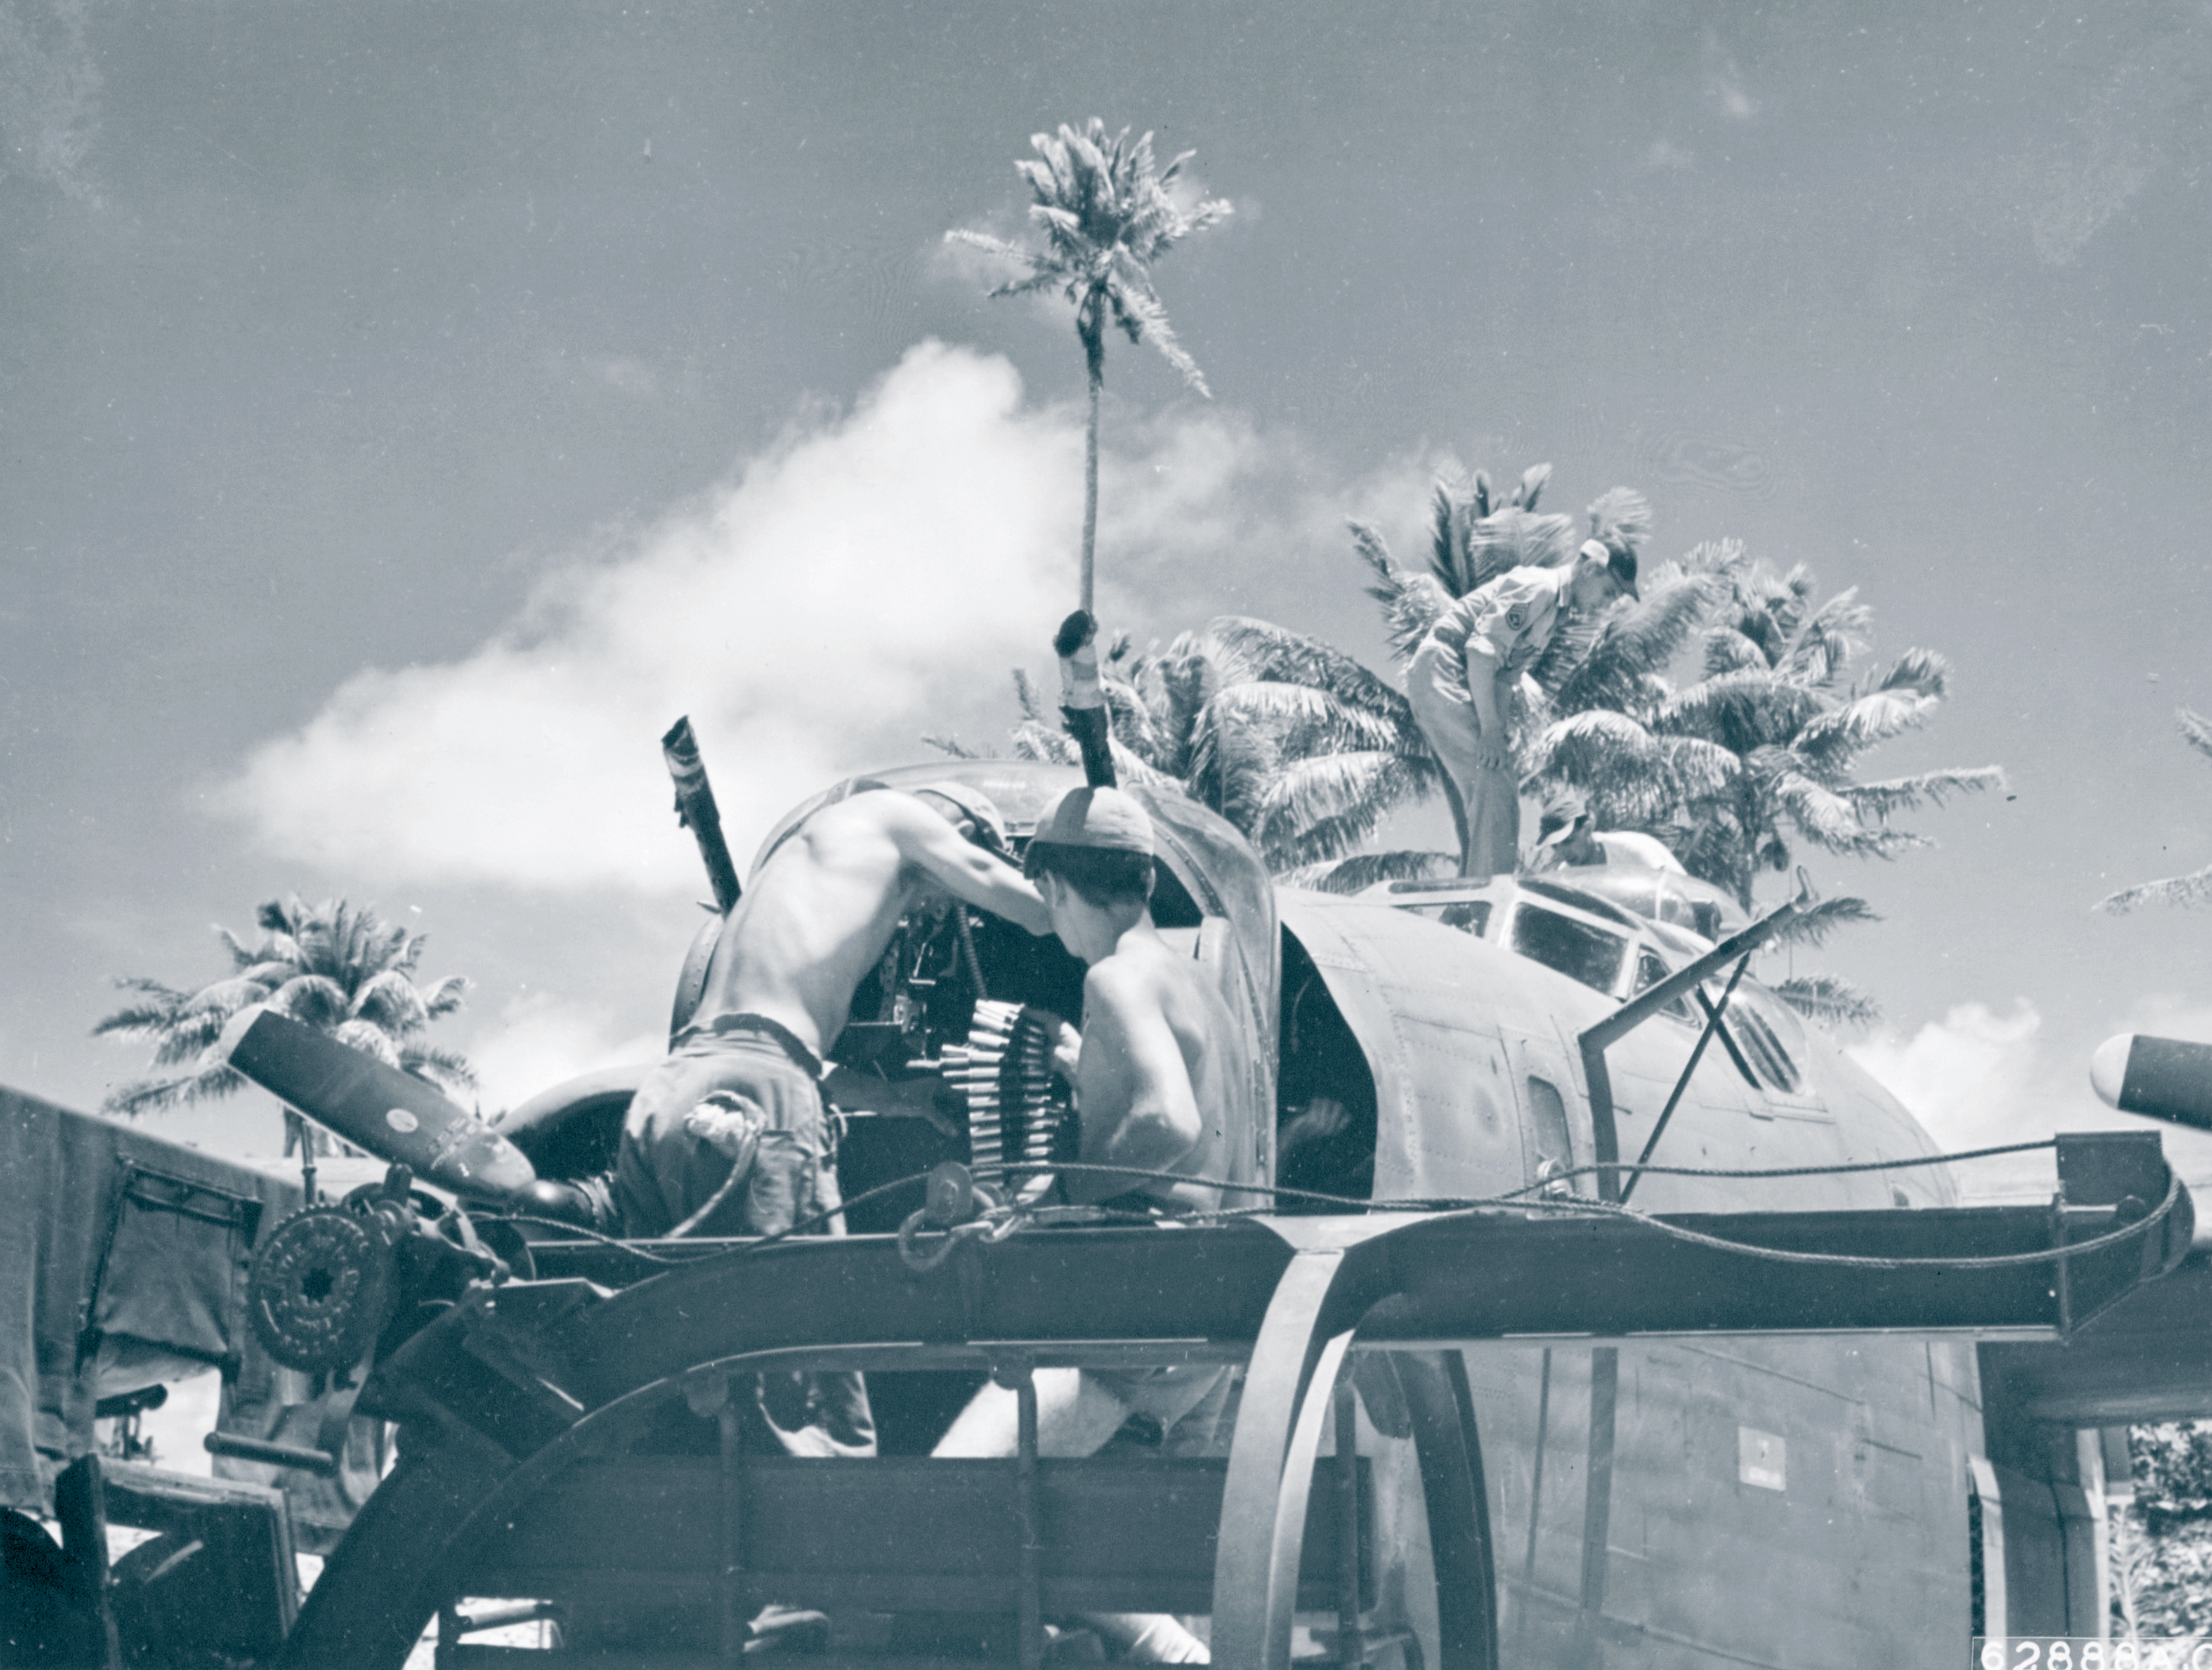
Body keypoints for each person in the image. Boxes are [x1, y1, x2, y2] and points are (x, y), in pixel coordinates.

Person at [614, 781, 1055, 1458]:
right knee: (810, 1391)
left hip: (671, 1092)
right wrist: (1110, 914)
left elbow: (768, 1045)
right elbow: (1035, 909)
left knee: (679, 1378)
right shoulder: (902, 818)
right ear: (956, 830)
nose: (933, 910)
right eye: (941, 895)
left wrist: (902, 1099)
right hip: (757, 1101)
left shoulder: (799, 858)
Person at [932, 785, 1232, 1664]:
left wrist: (1049, 1191)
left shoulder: (1115, 975)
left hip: (1129, 1314)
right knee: (1080, 1549)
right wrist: (1084, 1069)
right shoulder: (1194, 983)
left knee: (935, 1504)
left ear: (1059, 887)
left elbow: (1169, 1123)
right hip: (1208, 1330)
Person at [1405, 539, 1638, 880]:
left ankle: (1470, 895)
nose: (1607, 603)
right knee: (1496, 784)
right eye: (1609, 592)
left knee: (1491, 787)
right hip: (1446, 668)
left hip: (1459, 676)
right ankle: (1485, 897)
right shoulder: (1540, 588)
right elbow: (1481, 653)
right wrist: (1489, 730)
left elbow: (1502, 680)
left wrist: (1495, 731)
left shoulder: (1554, 612)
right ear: (1590, 570)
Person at [1527, 786, 1687, 874]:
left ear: (1588, 828)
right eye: (1555, 846)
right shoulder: (1567, 875)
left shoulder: (1632, 850)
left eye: (1568, 841)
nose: (1563, 853)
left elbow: (1672, 898)